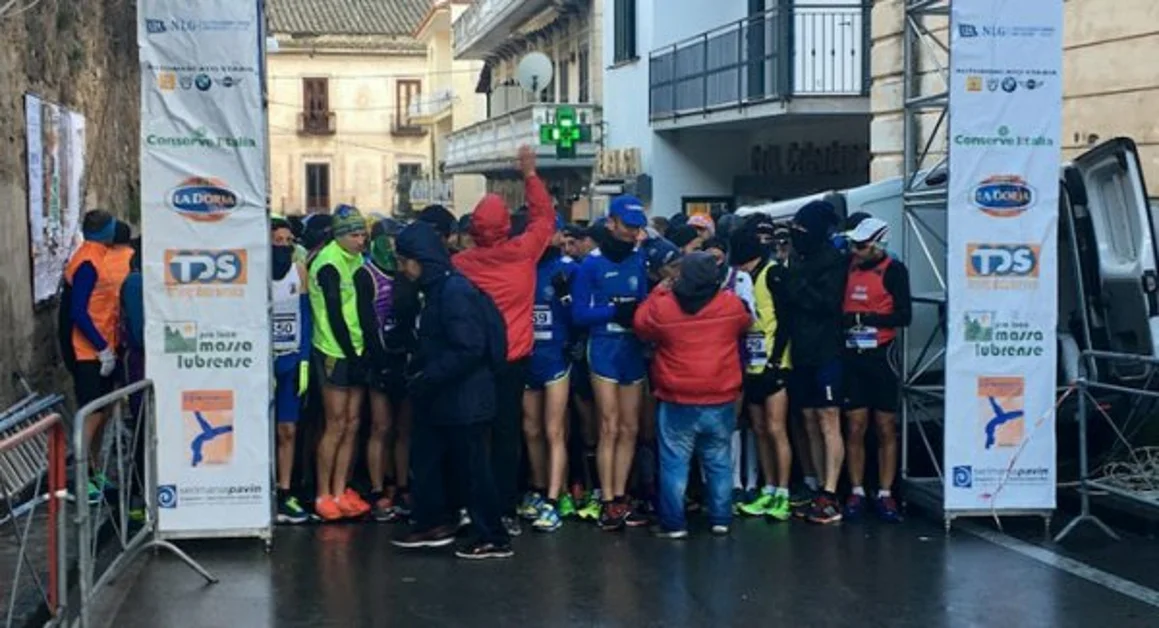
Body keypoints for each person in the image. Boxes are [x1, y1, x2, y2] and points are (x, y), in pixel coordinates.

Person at [391, 221, 512, 559]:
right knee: (428, 461)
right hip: (443, 396)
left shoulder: (453, 292)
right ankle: (433, 522)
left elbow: (469, 347)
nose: (401, 269)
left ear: (420, 260)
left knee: (473, 470)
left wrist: (427, 376)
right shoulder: (437, 290)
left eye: (404, 261)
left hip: (463, 397)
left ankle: (493, 536)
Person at [453, 145, 556, 536]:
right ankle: (507, 510)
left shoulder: (461, 265)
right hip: (513, 360)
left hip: (473, 363)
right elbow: (544, 218)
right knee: (507, 436)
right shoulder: (524, 253)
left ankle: (469, 506)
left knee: (471, 435)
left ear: (473, 231)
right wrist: (529, 174)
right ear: (506, 227)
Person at [633, 252, 752, 538]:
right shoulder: (730, 303)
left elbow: (640, 325)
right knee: (719, 460)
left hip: (677, 396)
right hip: (720, 394)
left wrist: (656, 293)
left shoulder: (664, 306)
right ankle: (720, 518)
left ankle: (674, 524)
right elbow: (747, 323)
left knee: (674, 463)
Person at [572, 195, 650, 530]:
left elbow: (645, 302)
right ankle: (606, 499)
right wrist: (614, 312)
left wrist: (642, 317)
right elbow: (578, 313)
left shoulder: (639, 259)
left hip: (631, 348)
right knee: (610, 425)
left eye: (637, 228)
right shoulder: (590, 264)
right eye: (628, 226)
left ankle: (621, 496)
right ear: (611, 224)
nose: (633, 233)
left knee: (631, 426)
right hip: (603, 347)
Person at [841, 218, 911, 523]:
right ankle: (856, 490)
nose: (856, 251)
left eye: (862, 245)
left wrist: (867, 318)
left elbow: (904, 315)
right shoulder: (849, 267)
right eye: (853, 245)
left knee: (885, 426)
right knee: (855, 426)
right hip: (853, 357)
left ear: (879, 243)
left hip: (882, 356)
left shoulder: (894, 270)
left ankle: (885, 493)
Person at [785, 200, 849, 525]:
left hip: (826, 349)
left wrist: (795, 287)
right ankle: (815, 483)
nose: (796, 235)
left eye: (801, 229)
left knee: (828, 418)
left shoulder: (833, 261)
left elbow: (827, 303)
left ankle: (830, 490)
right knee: (808, 419)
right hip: (801, 349)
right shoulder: (798, 256)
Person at [61, 210, 132, 502]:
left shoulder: (100, 255)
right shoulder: (88, 261)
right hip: (88, 349)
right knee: (91, 413)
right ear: (106, 230)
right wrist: (100, 347)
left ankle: (93, 470)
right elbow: (78, 311)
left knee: (103, 411)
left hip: (104, 345)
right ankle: (79, 477)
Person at [308, 205, 372, 521]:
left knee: (353, 422)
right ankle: (323, 493)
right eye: (356, 235)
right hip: (334, 350)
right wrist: (349, 352)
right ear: (340, 235)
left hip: (357, 348)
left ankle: (340, 488)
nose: (362, 241)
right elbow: (333, 313)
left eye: (364, 234)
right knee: (335, 424)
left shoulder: (357, 259)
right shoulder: (328, 263)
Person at [356, 219, 420, 521]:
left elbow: (413, 318)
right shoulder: (365, 274)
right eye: (387, 239)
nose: (392, 246)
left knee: (404, 428)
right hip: (379, 358)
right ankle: (379, 488)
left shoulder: (407, 274)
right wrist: (379, 361)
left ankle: (402, 483)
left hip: (404, 356)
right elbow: (367, 321)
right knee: (381, 426)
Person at [730, 227, 794, 521]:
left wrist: (776, 360)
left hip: (774, 363)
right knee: (759, 430)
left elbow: (786, 320)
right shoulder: (740, 278)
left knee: (776, 428)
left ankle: (783, 492)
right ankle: (767, 487)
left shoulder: (774, 273)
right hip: (750, 363)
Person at [519, 217, 578, 531]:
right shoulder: (524, 268)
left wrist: (567, 297)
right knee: (531, 430)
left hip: (556, 356)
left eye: (552, 232)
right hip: (529, 356)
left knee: (553, 429)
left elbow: (579, 314)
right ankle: (540, 489)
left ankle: (555, 499)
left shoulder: (569, 268)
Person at [271, 216, 313, 524]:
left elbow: (306, 316)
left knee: (288, 429)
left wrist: (304, 359)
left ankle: (286, 491)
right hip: (263, 362)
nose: (284, 247)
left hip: (290, 358)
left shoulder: (299, 271)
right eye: (278, 242)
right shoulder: (256, 274)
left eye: (288, 242)